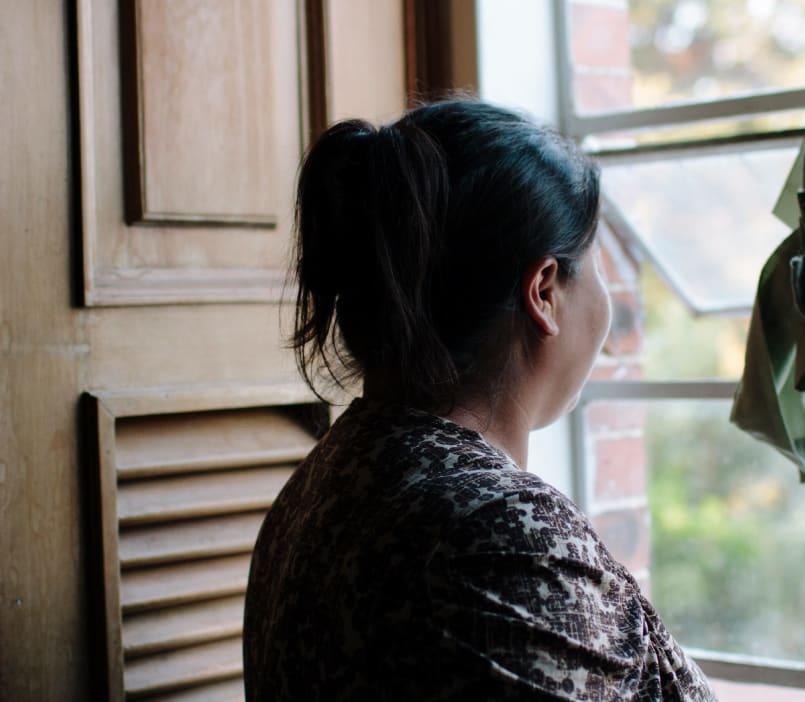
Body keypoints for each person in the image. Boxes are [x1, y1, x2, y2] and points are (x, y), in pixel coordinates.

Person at [243, 100, 714, 701]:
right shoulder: (505, 532)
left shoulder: (315, 491)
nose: (611, 302)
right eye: (595, 260)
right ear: (543, 290)